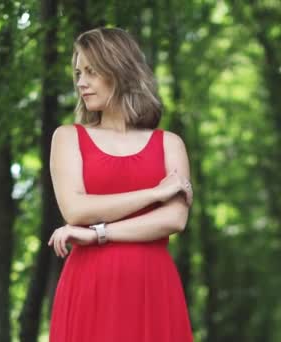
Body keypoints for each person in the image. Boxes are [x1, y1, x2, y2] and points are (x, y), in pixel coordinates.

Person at [47, 27, 194, 341]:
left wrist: (97, 234)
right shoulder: (68, 137)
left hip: (152, 285)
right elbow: (76, 210)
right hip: (90, 285)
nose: (81, 82)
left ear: (119, 70)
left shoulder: (170, 144)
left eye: (91, 71)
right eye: (77, 72)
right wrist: (154, 193)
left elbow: (174, 219)